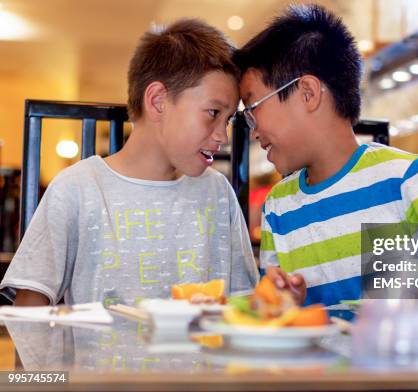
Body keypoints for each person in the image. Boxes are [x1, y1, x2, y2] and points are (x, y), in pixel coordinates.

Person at [234, 4, 418, 315]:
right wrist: (282, 299)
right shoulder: (278, 206)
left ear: (308, 93)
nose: (253, 131)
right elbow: (271, 300)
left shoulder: (403, 179)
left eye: (253, 109)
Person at [0, 19, 258, 306]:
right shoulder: (78, 188)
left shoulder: (218, 193)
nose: (223, 135)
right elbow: (29, 313)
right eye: (213, 113)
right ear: (158, 100)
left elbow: (244, 304)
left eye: (229, 120)